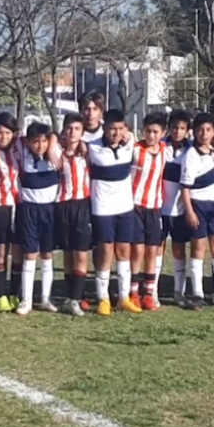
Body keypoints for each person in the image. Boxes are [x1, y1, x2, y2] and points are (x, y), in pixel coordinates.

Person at [88, 109, 137, 316]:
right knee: (106, 251)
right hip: (102, 208)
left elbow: (134, 138)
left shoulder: (130, 144)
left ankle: (124, 298)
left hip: (125, 207)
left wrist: (129, 135)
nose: (116, 133)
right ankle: (104, 299)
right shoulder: (92, 147)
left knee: (124, 251)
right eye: (111, 129)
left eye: (119, 128)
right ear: (104, 127)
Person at [180, 112, 214, 310]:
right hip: (198, 205)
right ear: (194, 132)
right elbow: (185, 187)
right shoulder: (191, 155)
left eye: (208, 130)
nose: (204, 133)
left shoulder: (213, 151)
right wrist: (189, 211)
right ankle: (198, 292)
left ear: (213, 131)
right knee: (198, 248)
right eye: (200, 130)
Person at [16, 122, 60, 315]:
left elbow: (62, 135)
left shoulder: (55, 149)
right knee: (30, 254)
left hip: (50, 209)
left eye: (44, 141)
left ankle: (45, 298)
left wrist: (52, 144)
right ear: (28, 142)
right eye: (36, 142)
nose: (40, 145)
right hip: (29, 209)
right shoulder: (22, 149)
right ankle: (26, 300)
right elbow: (14, 136)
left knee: (47, 253)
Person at [55, 113, 92, 316]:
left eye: (77, 129)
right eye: (69, 128)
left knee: (81, 253)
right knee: (68, 254)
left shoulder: (87, 152)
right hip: (62, 206)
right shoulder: (56, 151)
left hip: (82, 206)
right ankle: (71, 297)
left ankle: (78, 299)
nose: (73, 132)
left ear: (82, 132)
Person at [130, 112, 166, 311]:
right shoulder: (135, 149)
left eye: (155, 132)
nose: (151, 135)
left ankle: (148, 293)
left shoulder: (165, 150)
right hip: (135, 206)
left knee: (152, 251)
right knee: (137, 250)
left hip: (155, 208)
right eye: (148, 131)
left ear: (162, 133)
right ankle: (133, 292)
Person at [161, 110, 192, 307]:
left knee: (179, 249)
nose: (178, 132)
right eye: (174, 128)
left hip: (180, 209)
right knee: (156, 249)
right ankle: (151, 292)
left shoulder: (192, 150)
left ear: (187, 130)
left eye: (182, 128)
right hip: (159, 207)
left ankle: (178, 291)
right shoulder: (160, 146)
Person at [0, 113, 20, 313]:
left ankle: (15, 293)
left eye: (7, 132)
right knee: (2, 250)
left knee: (18, 251)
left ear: (14, 133)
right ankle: (0, 294)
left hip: (20, 205)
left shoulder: (21, 148)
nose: (3, 136)